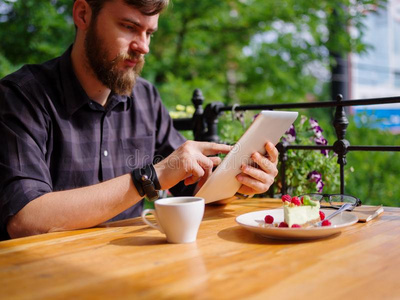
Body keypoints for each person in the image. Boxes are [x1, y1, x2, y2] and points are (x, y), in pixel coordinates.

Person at [0, 0, 279, 240]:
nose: (143, 46)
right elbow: (25, 219)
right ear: (83, 14)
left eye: (150, 33)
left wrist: (236, 180)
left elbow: (192, 187)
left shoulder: (145, 97)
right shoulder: (21, 97)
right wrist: (150, 178)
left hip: (135, 268)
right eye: (129, 27)